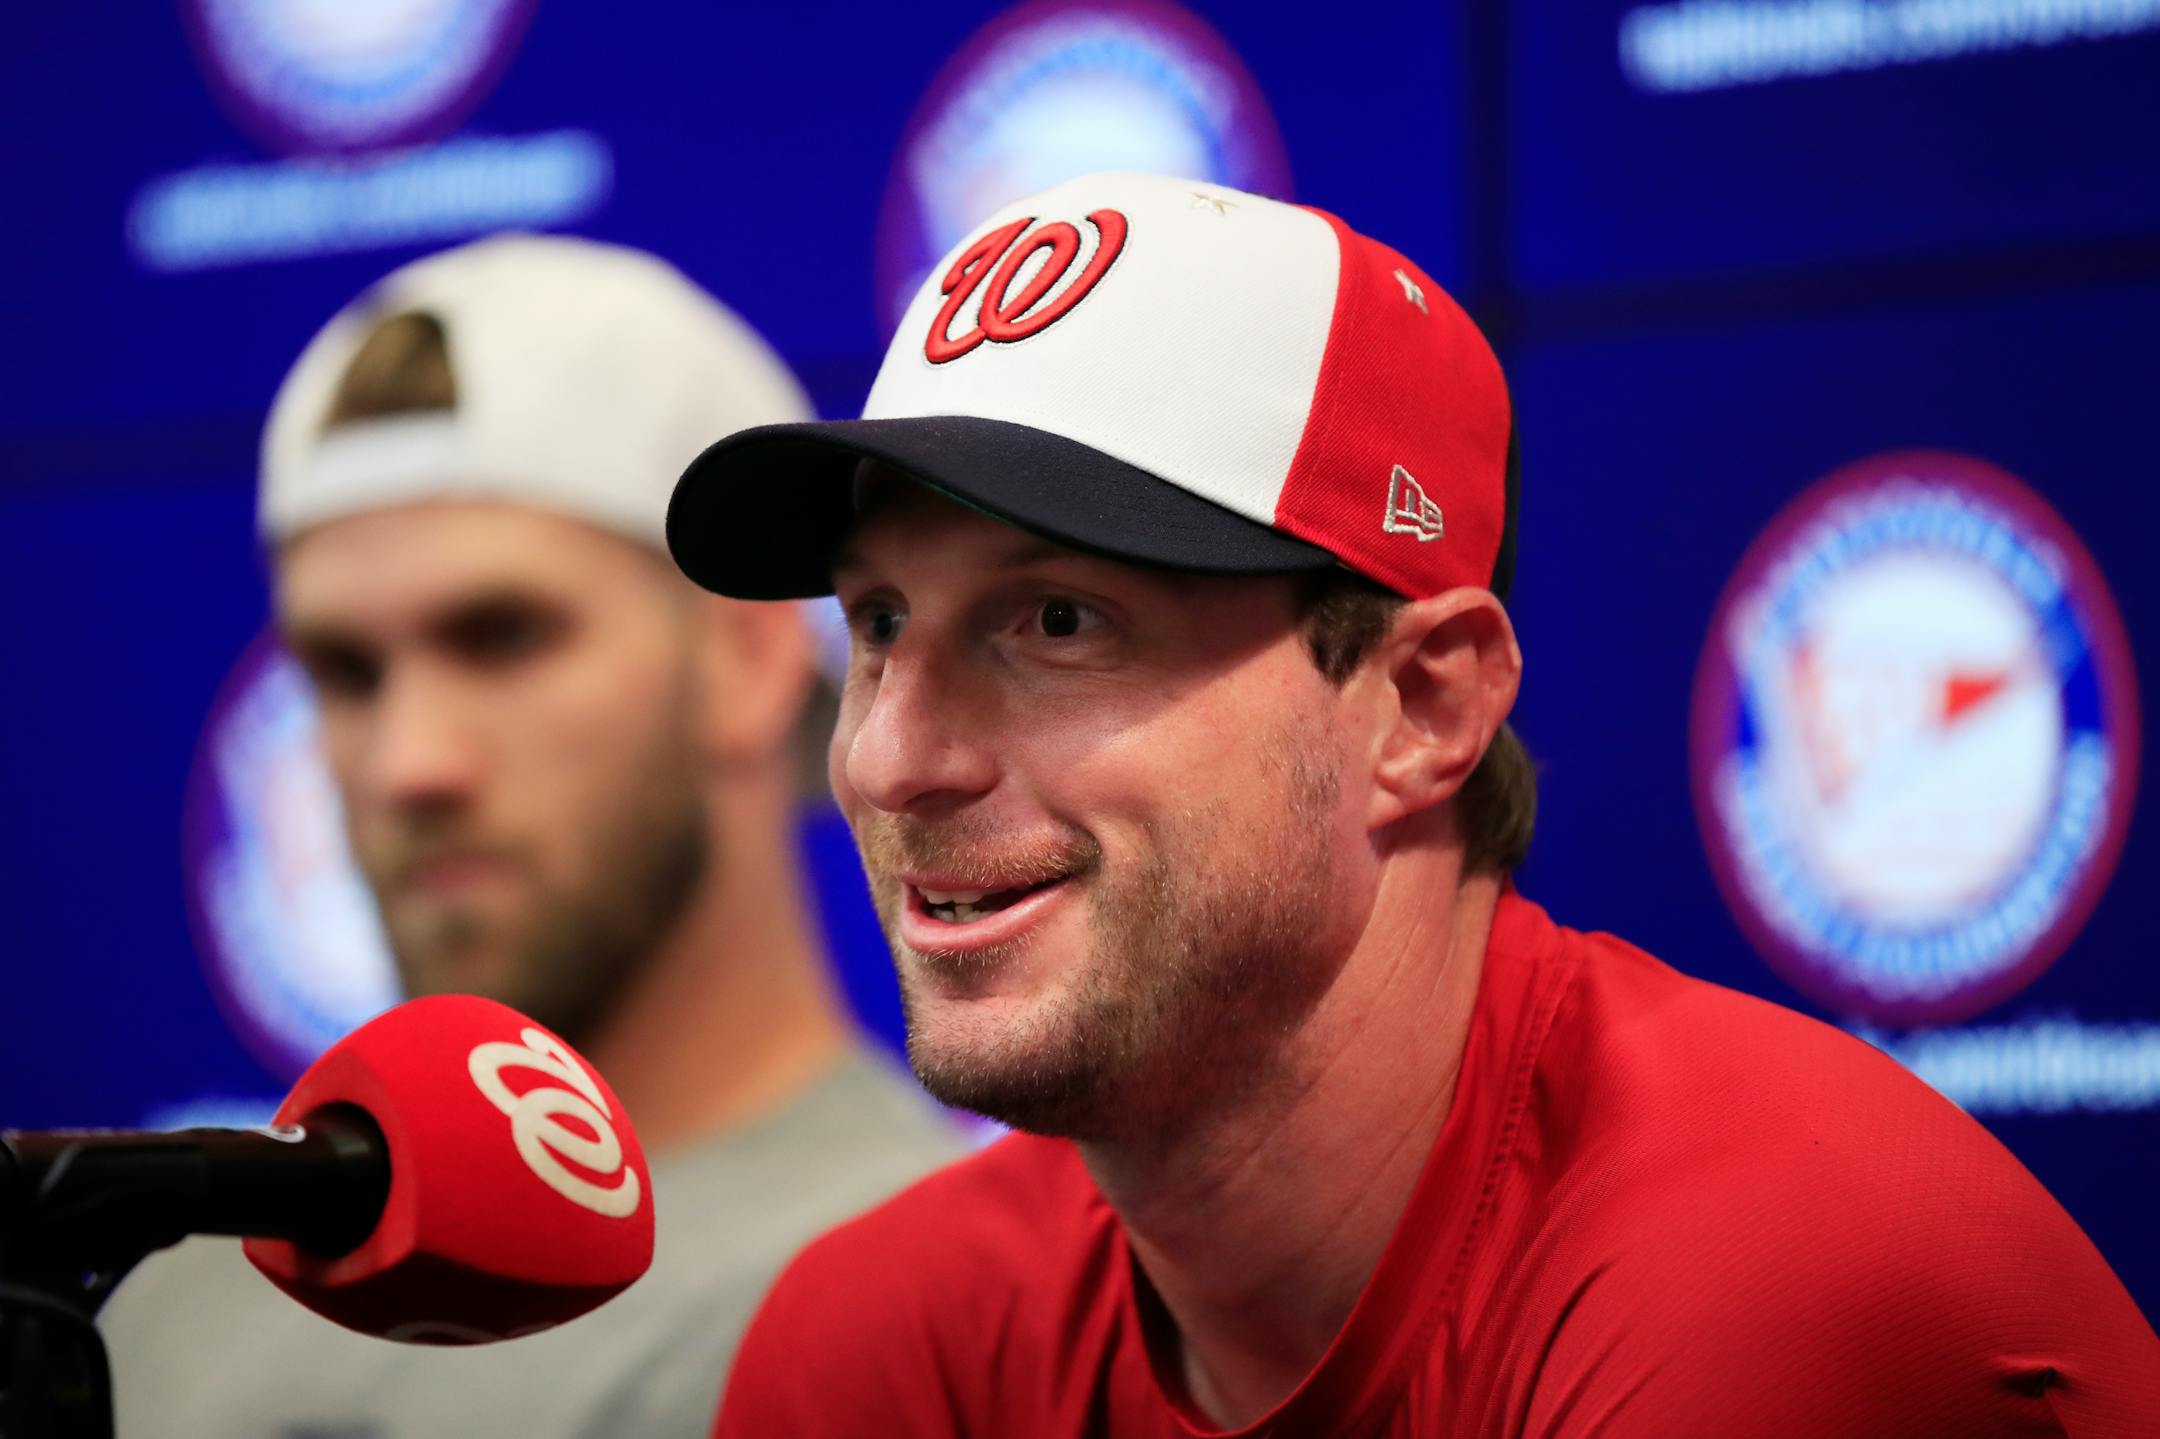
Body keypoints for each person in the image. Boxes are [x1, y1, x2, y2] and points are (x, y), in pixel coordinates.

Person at [664, 173, 2160, 1437]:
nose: (886, 757)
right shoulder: (883, 1343)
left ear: (1424, 702)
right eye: (874, 626)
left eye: (1058, 621)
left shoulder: (1763, 1286)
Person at [98, 234, 963, 1437]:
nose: (410, 763)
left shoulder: (965, 1311)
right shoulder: (165, 1300)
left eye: (502, 637)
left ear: (753, 657)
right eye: (345, 671)